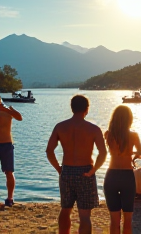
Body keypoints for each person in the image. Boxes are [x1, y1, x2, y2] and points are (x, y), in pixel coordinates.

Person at [46, 95, 107, 234]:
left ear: (72, 108)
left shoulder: (60, 126)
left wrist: (58, 169)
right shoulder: (93, 129)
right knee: (85, 215)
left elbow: (49, 151)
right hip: (85, 172)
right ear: (87, 109)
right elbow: (103, 153)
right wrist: (94, 170)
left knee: (65, 209)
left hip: (66, 171)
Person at [104, 105, 141, 234]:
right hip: (127, 176)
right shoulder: (133, 135)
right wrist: (134, 154)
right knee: (128, 219)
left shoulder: (108, 134)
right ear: (129, 119)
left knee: (114, 219)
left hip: (111, 176)